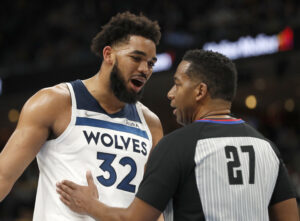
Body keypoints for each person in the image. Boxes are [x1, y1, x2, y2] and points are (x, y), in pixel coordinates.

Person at [56, 49, 299, 221]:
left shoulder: (178, 145)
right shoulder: (268, 148)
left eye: (178, 84)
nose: (170, 94)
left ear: (200, 91)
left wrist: (89, 205)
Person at [0, 11, 164, 221]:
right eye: (136, 58)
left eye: (151, 63)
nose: (144, 69)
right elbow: (3, 176)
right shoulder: (55, 103)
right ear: (108, 54)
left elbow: (153, 209)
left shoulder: (150, 123)